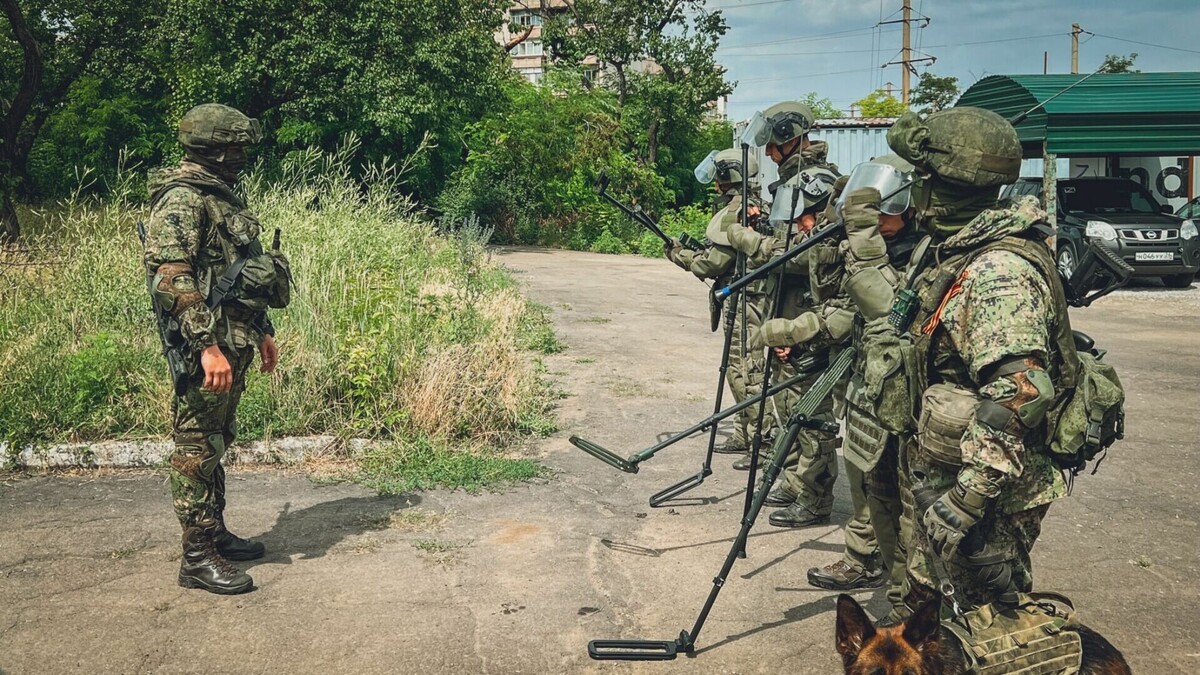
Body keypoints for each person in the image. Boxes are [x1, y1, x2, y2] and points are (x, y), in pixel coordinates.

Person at [883, 107, 1071, 612]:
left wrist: (966, 501)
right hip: (944, 475)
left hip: (984, 495)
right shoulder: (953, 249)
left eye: (921, 177)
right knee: (935, 619)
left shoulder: (996, 270)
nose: (914, 189)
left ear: (944, 185)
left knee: (983, 621)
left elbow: (1022, 391)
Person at [143, 103, 291, 594]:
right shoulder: (183, 199)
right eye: (236, 146)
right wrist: (206, 345)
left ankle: (215, 532)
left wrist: (263, 328)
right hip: (209, 347)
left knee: (216, 441)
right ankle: (196, 555)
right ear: (215, 148)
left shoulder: (220, 196)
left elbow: (241, 267)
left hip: (236, 339)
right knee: (195, 448)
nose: (243, 154)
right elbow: (173, 277)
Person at [761, 155, 922, 602]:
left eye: (883, 213)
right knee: (865, 475)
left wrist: (803, 327)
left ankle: (901, 588)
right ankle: (864, 558)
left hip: (908, 389)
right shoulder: (876, 251)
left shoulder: (923, 253)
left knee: (900, 495)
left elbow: (890, 313)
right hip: (869, 375)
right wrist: (803, 330)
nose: (874, 221)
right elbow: (849, 310)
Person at [726, 101, 849, 530]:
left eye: (772, 146)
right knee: (787, 403)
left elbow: (812, 256)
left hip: (809, 312)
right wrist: (764, 233)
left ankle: (815, 498)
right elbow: (787, 241)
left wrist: (755, 246)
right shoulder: (791, 183)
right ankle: (798, 480)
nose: (768, 155)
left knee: (810, 409)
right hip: (785, 306)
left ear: (788, 138)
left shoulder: (815, 185)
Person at [666, 149, 764, 455]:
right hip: (741, 298)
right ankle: (743, 434)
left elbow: (712, 264)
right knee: (739, 369)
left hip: (745, 301)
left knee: (744, 371)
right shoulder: (747, 205)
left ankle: (761, 442)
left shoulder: (739, 209)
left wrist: (679, 255)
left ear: (727, 177)